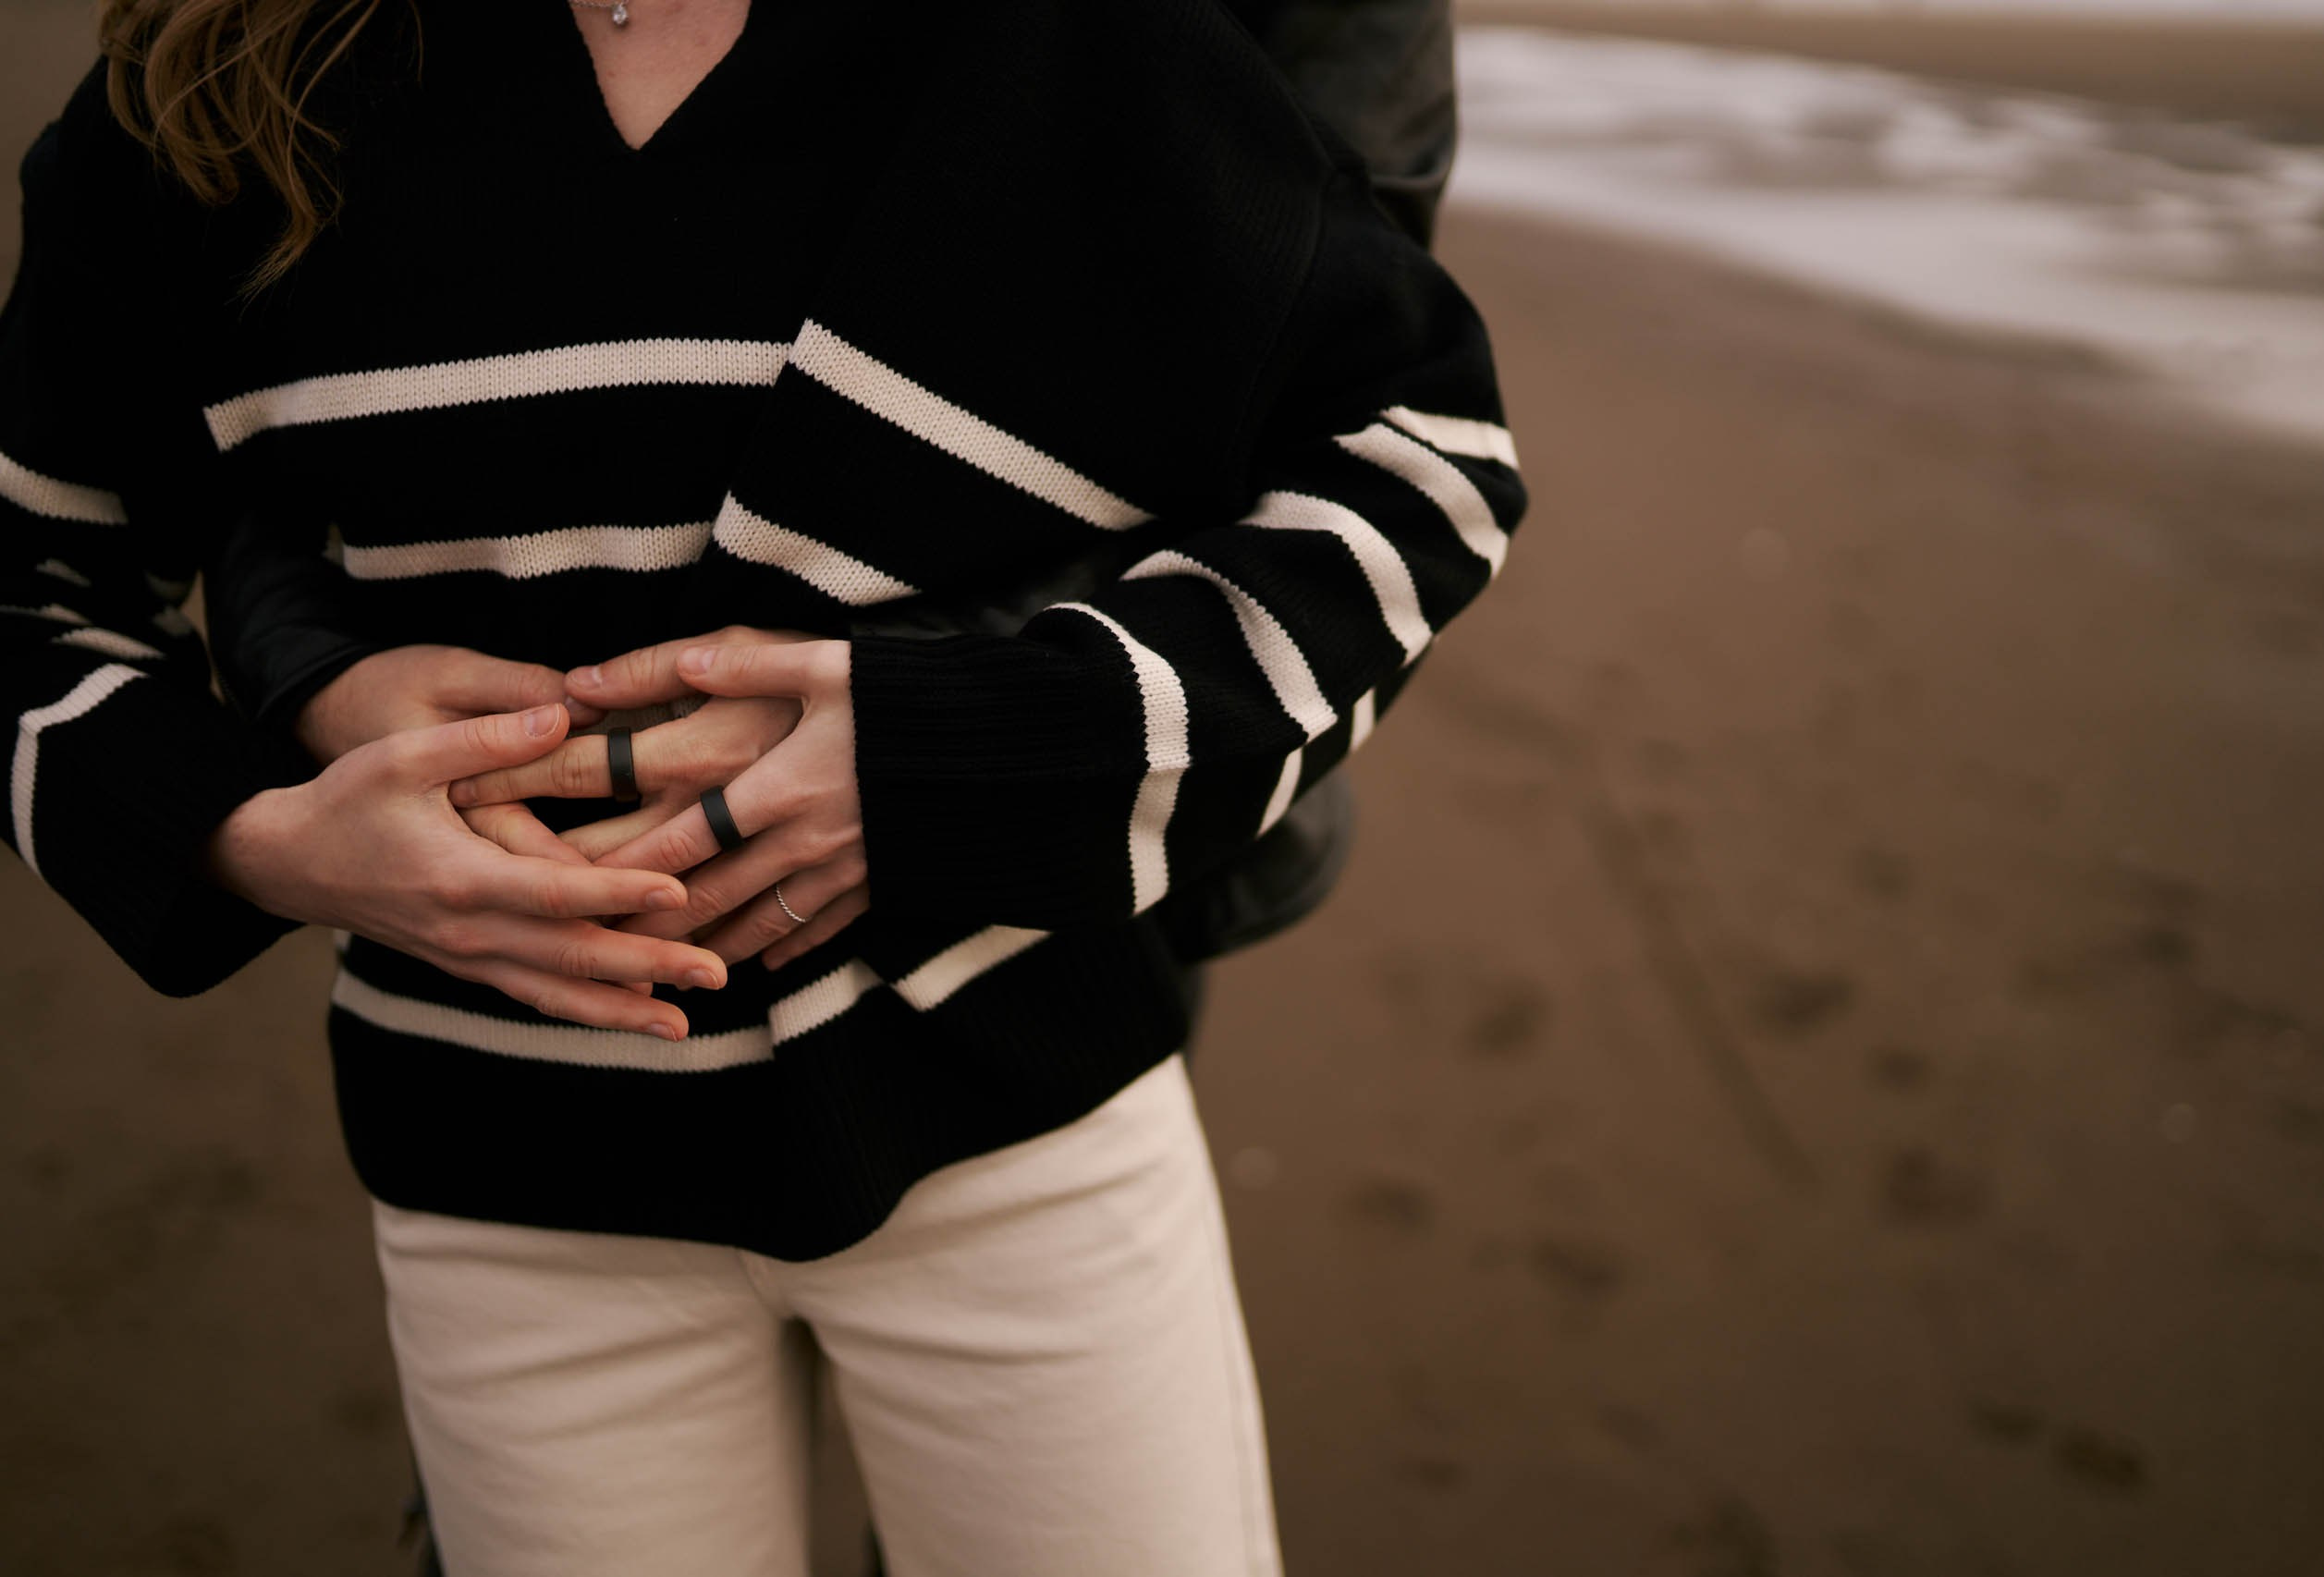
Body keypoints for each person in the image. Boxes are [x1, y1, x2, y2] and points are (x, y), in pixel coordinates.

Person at [1, 2, 1524, 1572]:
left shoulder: (1075, 45)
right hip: (508, 1168)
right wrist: (264, 835)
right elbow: (25, 572)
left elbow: (1416, 456)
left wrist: (958, 750)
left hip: (1015, 1125)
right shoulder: (222, 90)